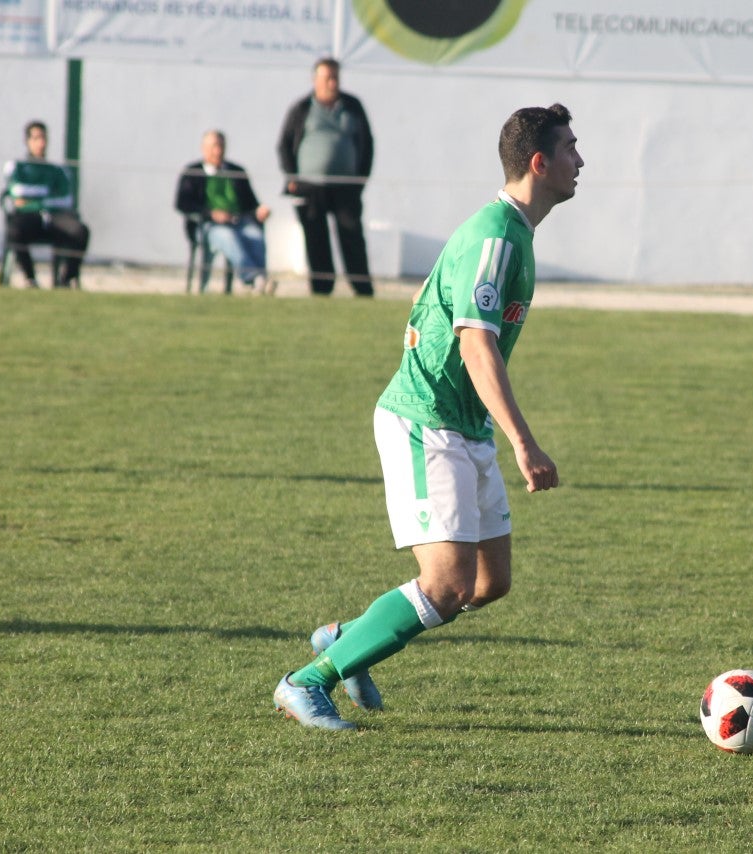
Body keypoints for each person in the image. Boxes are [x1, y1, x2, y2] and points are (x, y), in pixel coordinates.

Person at [272, 103, 584, 730]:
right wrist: (524, 442)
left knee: (488, 583)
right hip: (427, 421)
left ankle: (349, 638)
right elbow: (475, 344)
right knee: (444, 586)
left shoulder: (513, 231)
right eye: (572, 149)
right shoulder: (497, 236)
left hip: (463, 426)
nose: (582, 161)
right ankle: (307, 683)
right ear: (539, 162)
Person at [277, 57, 375, 297]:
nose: (332, 83)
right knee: (316, 238)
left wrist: (360, 179)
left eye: (335, 78)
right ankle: (322, 289)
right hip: (310, 187)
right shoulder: (302, 108)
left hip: (346, 186)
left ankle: (362, 289)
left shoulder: (352, 106)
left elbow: (367, 144)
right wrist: (292, 177)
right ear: (315, 80)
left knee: (351, 235)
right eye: (327, 78)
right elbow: (284, 144)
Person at [175, 130, 270, 293]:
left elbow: (251, 203)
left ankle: (260, 282)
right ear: (203, 148)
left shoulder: (236, 171)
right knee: (226, 236)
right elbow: (182, 203)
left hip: (238, 222)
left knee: (254, 234)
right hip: (207, 225)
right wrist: (211, 214)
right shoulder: (193, 172)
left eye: (220, 146)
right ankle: (253, 278)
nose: (217, 151)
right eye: (213, 147)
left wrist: (259, 211)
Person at [0, 121, 91, 288]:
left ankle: (67, 280)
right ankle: (30, 278)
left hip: (54, 218)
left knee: (80, 231)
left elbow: (66, 199)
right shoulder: (18, 167)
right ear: (27, 141)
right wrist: (46, 196)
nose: (40, 143)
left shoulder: (56, 170)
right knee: (14, 230)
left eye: (43, 138)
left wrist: (34, 201)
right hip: (29, 218)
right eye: (35, 138)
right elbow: (18, 191)